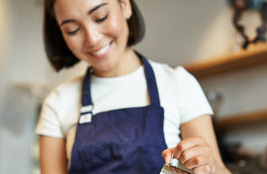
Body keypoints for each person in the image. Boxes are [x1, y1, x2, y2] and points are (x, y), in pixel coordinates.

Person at [35, 0, 231, 173]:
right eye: (73, 30)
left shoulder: (178, 83)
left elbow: (218, 170)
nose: (92, 39)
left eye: (100, 17)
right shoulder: (58, 102)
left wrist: (210, 167)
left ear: (125, 5)